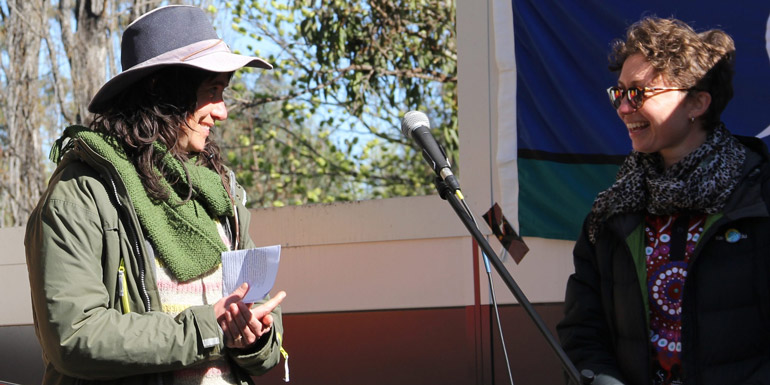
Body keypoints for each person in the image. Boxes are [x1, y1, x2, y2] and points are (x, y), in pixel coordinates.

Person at [24, 5, 287, 385]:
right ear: (161, 91)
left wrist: (253, 337)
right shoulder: (83, 194)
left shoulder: (220, 191)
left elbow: (253, 307)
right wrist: (208, 330)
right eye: (212, 91)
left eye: (223, 92)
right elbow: (73, 336)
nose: (222, 111)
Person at [557, 16, 770, 385]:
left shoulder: (757, 196)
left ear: (697, 103)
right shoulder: (610, 213)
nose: (624, 109)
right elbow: (582, 330)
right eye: (619, 93)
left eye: (638, 93)